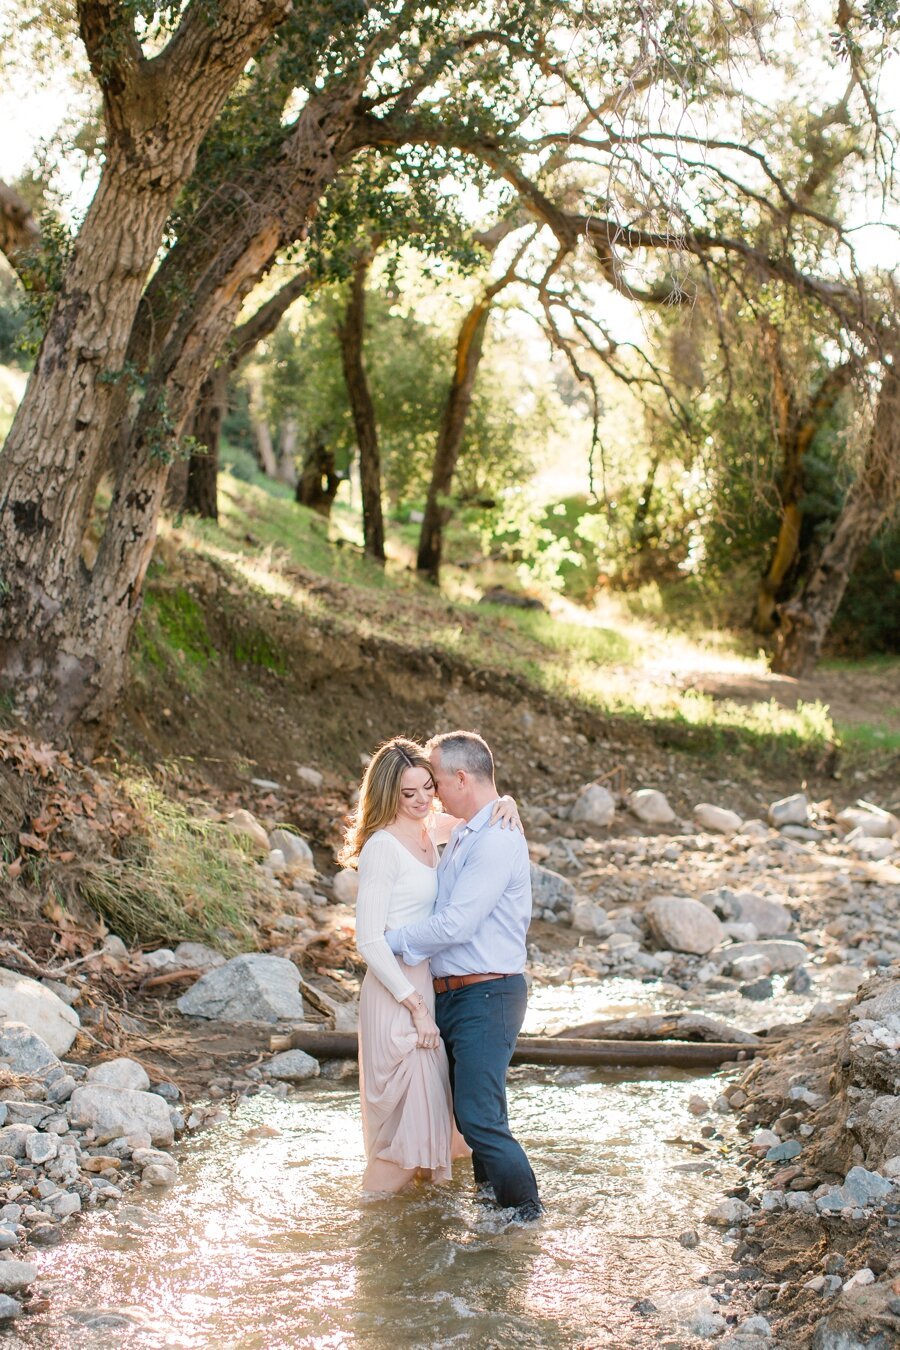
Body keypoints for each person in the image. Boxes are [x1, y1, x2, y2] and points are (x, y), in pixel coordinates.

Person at [339, 736, 521, 1195]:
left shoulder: (429, 827)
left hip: (429, 991)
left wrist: (508, 803)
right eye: (409, 793)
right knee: (404, 1137)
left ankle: (425, 1231)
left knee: (443, 1130)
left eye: (428, 788)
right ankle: (367, 1230)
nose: (422, 800)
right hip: (399, 993)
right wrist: (416, 1005)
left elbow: (480, 810)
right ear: (387, 795)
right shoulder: (383, 846)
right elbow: (368, 940)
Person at [385, 730, 542, 1223]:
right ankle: (490, 1207)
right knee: (474, 1113)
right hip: (455, 995)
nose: (429, 790)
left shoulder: (494, 838)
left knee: (478, 1117)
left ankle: (526, 1216)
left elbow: (457, 924)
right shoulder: (470, 827)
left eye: (435, 779)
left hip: (488, 993)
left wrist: (384, 943)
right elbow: (404, 813)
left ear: (460, 777)